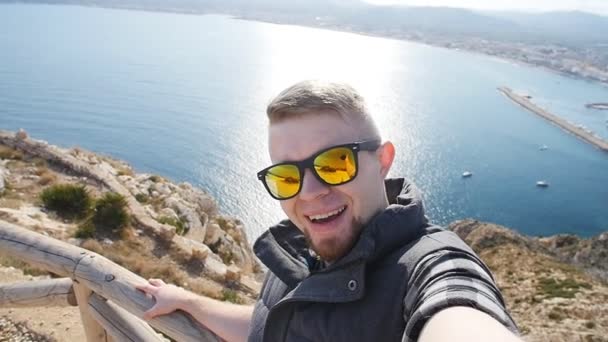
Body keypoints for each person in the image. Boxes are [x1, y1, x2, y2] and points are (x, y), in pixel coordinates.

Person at [137, 80, 521, 342]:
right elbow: (270, 328)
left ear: (383, 160)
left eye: (335, 163)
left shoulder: (428, 266)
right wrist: (188, 301)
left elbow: (459, 312)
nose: (310, 192)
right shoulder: (301, 254)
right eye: (287, 176)